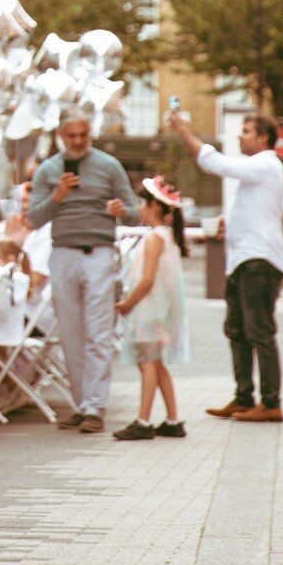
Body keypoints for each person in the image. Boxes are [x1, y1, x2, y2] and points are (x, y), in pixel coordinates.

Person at [169, 107, 283, 422]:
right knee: (237, 329)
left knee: (259, 331)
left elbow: (215, 163)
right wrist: (230, 223)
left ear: (263, 138)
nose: (240, 134)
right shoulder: (260, 169)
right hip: (243, 260)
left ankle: (271, 402)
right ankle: (244, 397)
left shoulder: (264, 163)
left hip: (257, 261)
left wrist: (184, 131)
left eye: (247, 130)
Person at [26, 105, 137, 433]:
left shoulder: (109, 166)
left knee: (99, 332)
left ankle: (95, 406)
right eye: (71, 136)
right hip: (63, 254)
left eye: (83, 135)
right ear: (60, 136)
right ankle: (82, 402)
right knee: (70, 333)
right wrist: (58, 195)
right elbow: (34, 219)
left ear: (91, 134)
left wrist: (121, 210)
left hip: (99, 253)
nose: (77, 141)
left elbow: (134, 213)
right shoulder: (48, 170)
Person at [112, 176, 189, 441]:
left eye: (142, 203)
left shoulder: (155, 238)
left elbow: (146, 280)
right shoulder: (164, 236)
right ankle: (172, 419)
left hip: (148, 310)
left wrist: (127, 303)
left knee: (146, 365)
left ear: (155, 206)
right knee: (157, 363)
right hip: (157, 310)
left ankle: (143, 420)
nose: (139, 209)